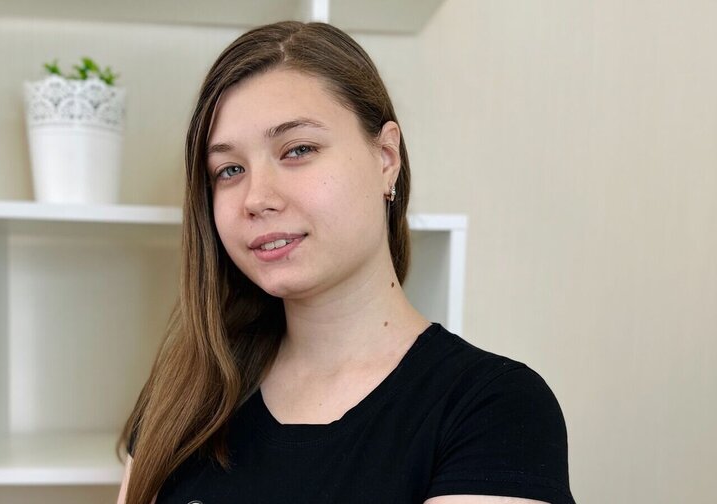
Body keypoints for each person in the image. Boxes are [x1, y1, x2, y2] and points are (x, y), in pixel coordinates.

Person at [117, 21, 574, 504]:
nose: (256, 198)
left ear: (386, 157)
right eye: (229, 170)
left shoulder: (494, 410)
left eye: (298, 150)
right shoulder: (186, 395)